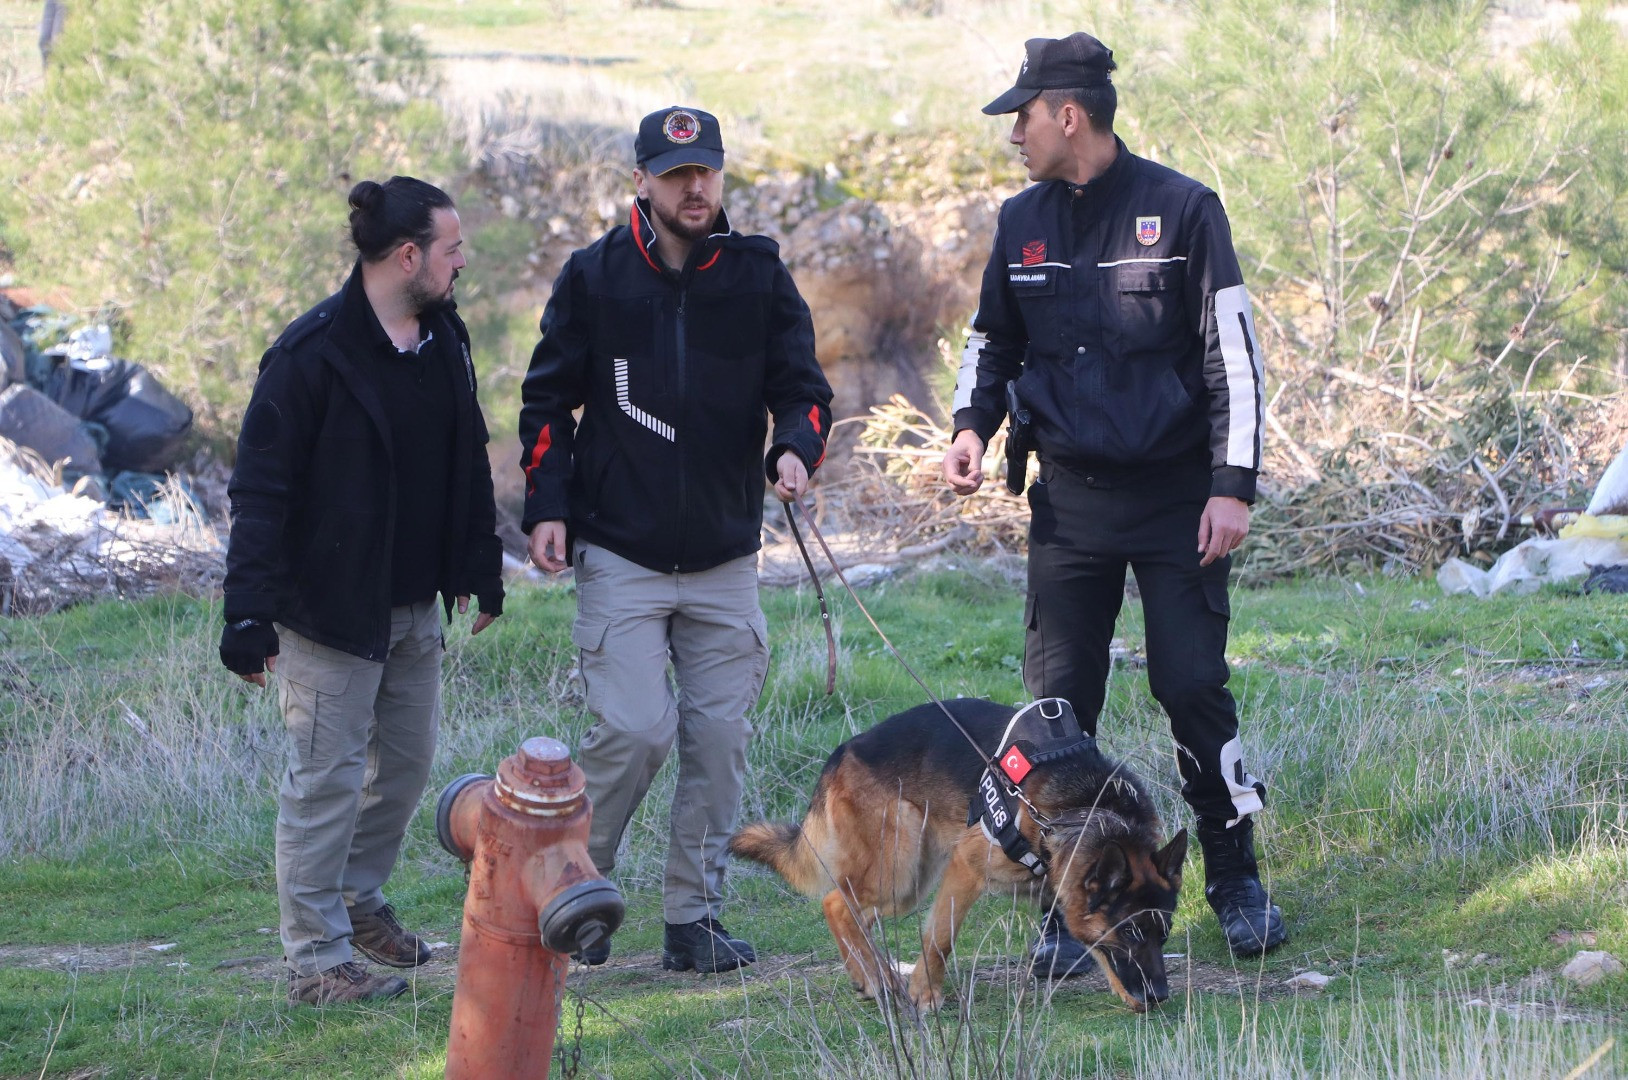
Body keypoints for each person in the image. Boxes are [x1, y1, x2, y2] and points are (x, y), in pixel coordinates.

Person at [942, 33, 1286, 975]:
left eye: (1022, 116)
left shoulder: (1185, 210)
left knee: (1191, 687)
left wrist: (1232, 487)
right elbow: (991, 341)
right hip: (1069, 505)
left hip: (1178, 503)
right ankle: (1070, 905)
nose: (1013, 134)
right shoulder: (1020, 222)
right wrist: (972, 426)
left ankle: (1235, 880)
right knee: (1058, 714)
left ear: (1069, 115)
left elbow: (1233, 359)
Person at [518, 106, 833, 974]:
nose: (695, 188)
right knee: (633, 731)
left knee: (719, 745)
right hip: (621, 548)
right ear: (642, 181)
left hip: (726, 554)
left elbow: (804, 391)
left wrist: (794, 449)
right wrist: (548, 506)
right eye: (676, 173)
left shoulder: (759, 274)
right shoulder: (595, 276)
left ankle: (694, 921)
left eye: (706, 171)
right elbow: (547, 403)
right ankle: (576, 896)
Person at [220, 176, 505, 1005]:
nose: (461, 262)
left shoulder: (444, 338)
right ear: (408, 255)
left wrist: (478, 563)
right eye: (452, 248)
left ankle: (354, 897)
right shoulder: (309, 355)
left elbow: (465, 453)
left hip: (414, 607)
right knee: (325, 783)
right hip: (328, 613)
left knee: (406, 767)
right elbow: (260, 492)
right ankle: (316, 961)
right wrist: (247, 613)